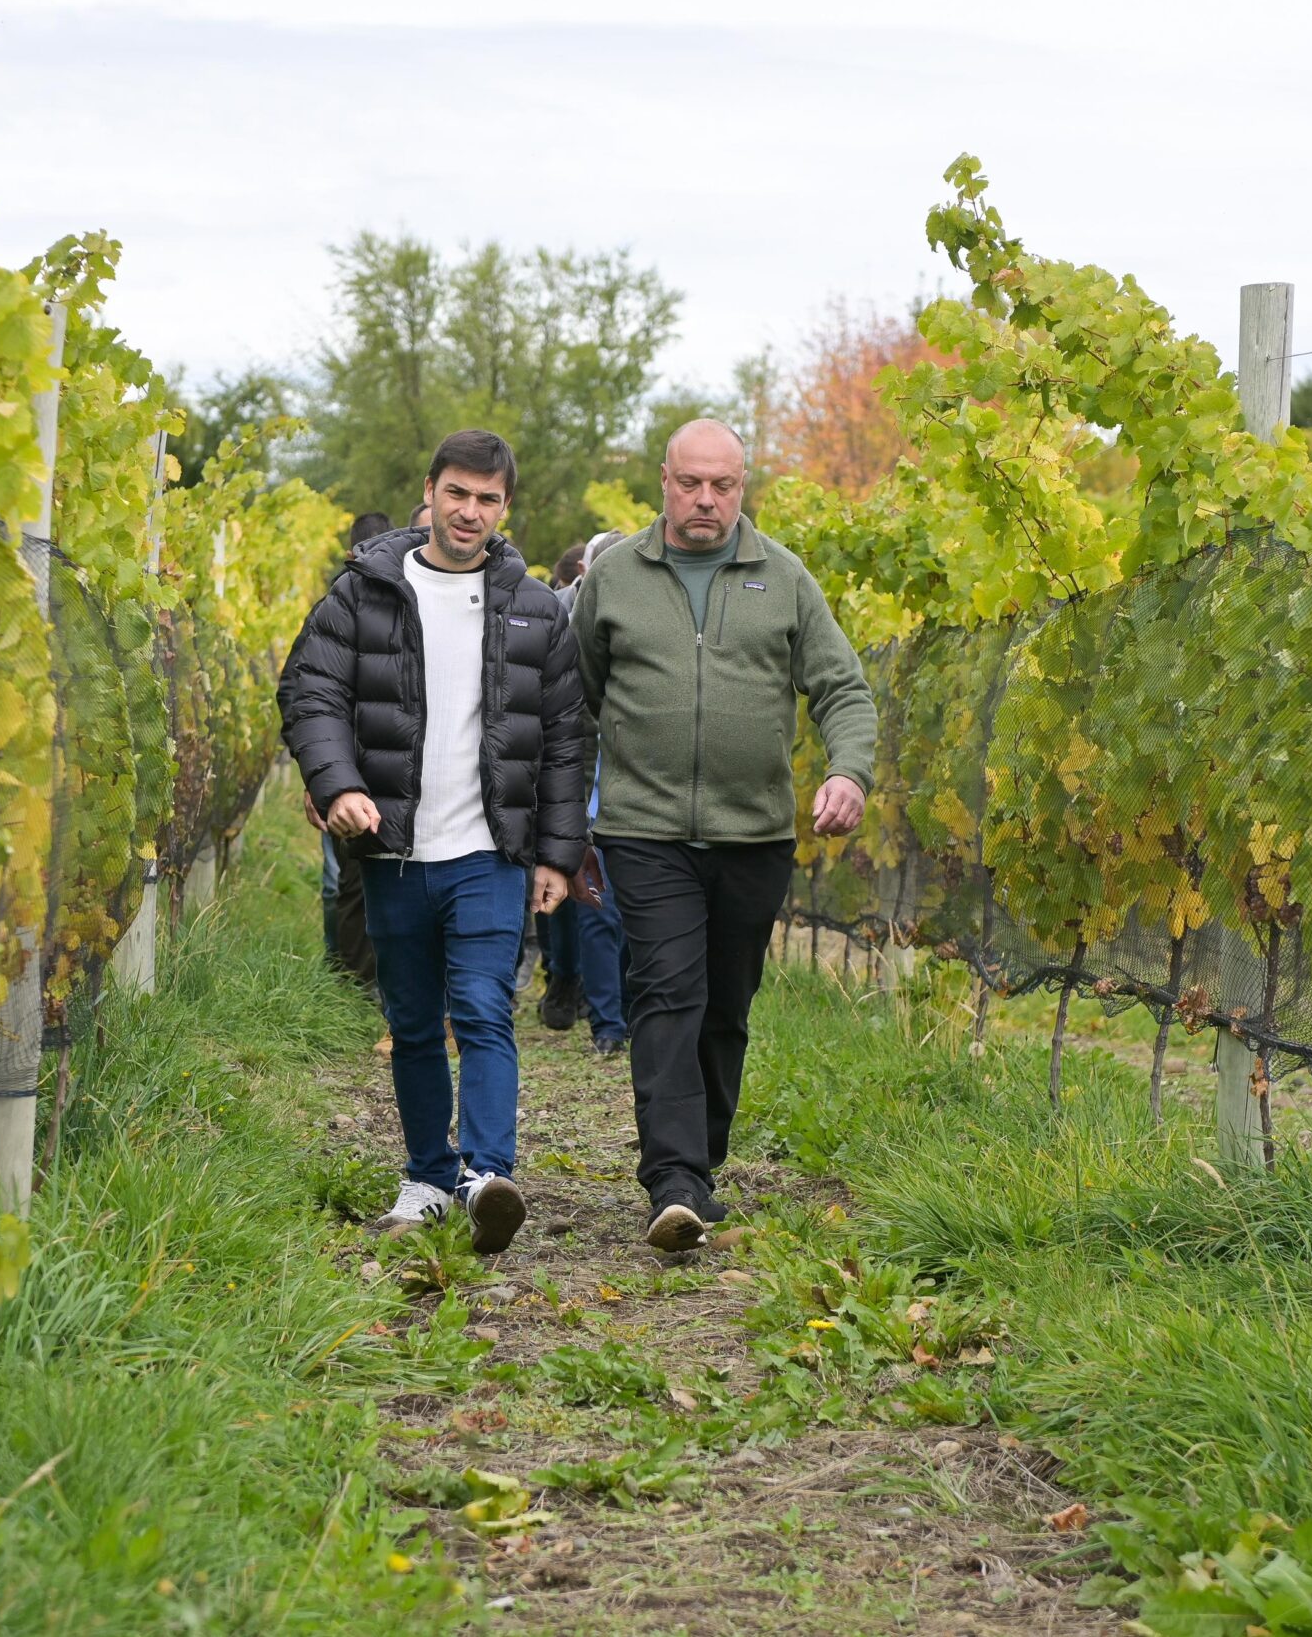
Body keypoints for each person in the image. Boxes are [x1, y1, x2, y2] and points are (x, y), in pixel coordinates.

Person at [278, 429, 590, 1252]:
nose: (470, 511)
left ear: (505, 508)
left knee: (485, 1008)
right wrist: (335, 781)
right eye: (458, 493)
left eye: (488, 499)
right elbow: (309, 690)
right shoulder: (366, 591)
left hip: (491, 850)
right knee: (413, 1020)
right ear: (431, 491)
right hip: (395, 849)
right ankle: (426, 1176)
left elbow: (565, 735)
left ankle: (487, 1176)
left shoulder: (535, 608)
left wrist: (557, 853)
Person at [572, 420, 876, 1251]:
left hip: (755, 834)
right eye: (691, 483)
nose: (706, 500)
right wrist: (578, 817)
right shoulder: (616, 576)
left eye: (724, 485)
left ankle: (700, 1158)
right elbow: (580, 696)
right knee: (667, 991)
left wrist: (848, 770)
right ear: (662, 481)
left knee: (726, 1002)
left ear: (744, 487)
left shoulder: (784, 579)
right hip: (644, 826)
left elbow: (842, 688)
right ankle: (672, 1178)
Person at [539, 533, 629, 1054]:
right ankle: (607, 1026)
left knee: (632, 919)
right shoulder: (562, 623)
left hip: (638, 797)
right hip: (585, 795)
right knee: (597, 910)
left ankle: (628, 1013)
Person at [315, 510, 394, 986]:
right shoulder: (336, 605)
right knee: (345, 882)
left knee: (361, 886)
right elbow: (306, 692)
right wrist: (322, 776)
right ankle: (353, 983)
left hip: (388, 774)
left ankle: (376, 985)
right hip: (349, 771)